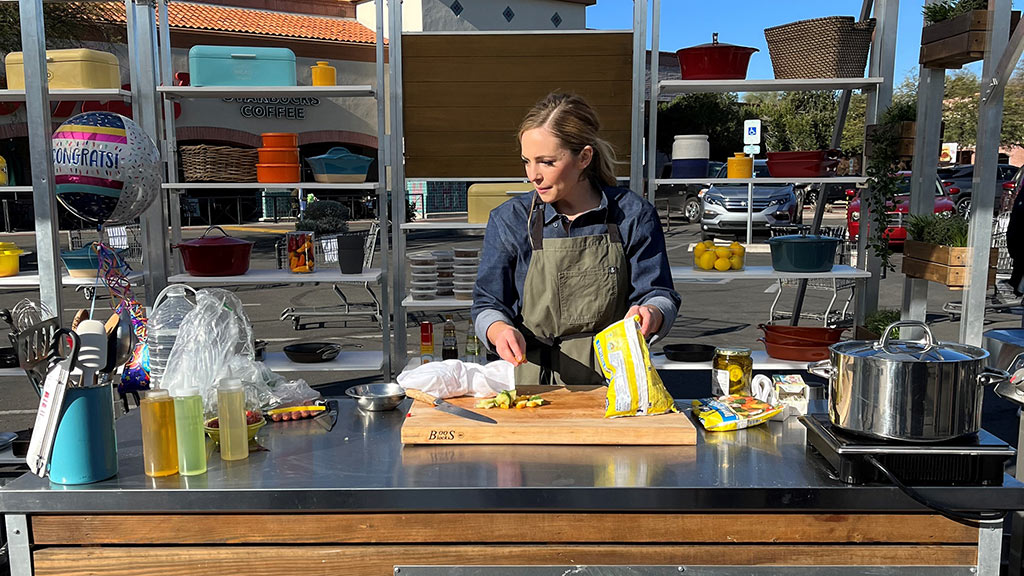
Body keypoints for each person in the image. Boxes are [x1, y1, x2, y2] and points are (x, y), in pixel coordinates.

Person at [471, 93, 681, 386]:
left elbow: (660, 293)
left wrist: (652, 313)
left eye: (546, 162)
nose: (533, 175)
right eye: (527, 161)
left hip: (616, 381)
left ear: (584, 157)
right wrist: (498, 330)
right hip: (530, 382)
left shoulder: (632, 215)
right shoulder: (510, 219)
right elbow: (488, 303)